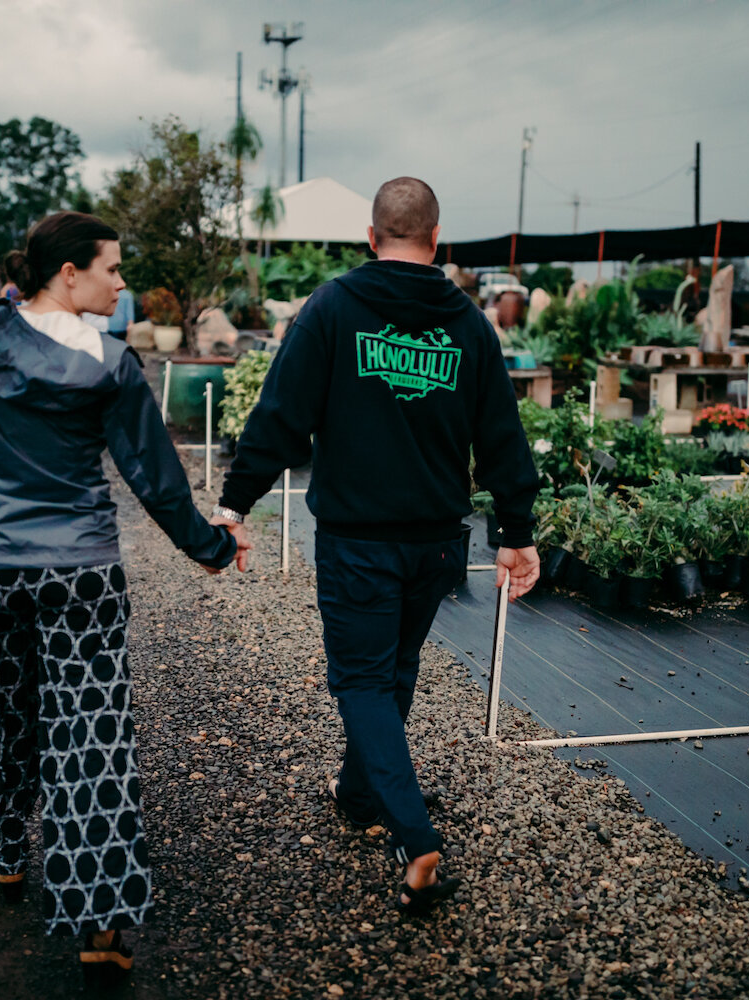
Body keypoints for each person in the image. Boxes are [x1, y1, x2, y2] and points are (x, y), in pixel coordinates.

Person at [0, 211, 244, 970]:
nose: (122, 283)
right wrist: (212, 547)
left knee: (5, 709)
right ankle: (102, 924)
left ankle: (8, 852)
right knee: (91, 735)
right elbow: (154, 479)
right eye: (113, 268)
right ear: (69, 272)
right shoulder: (112, 363)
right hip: (82, 573)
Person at [213, 177, 540, 915]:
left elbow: (282, 416)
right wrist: (516, 536)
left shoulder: (332, 309)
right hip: (435, 545)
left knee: (362, 681)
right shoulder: (469, 325)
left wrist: (234, 505)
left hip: (359, 541)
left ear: (371, 236)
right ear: (436, 240)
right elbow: (502, 441)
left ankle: (415, 834)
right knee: (393, 672)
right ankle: (359, 793)